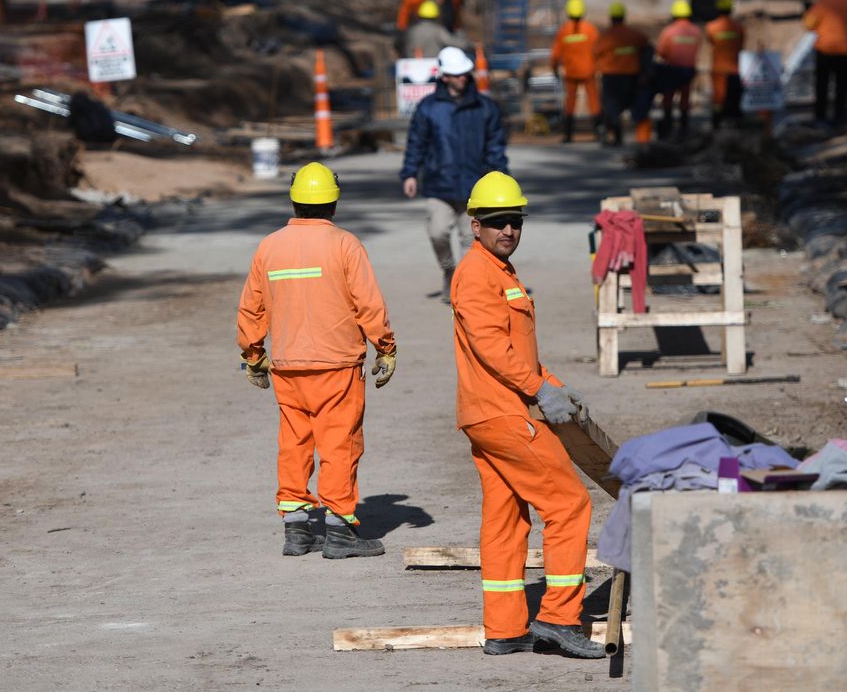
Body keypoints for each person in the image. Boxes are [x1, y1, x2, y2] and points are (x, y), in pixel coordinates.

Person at [449, 171, 605, 660]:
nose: (508, 231)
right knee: (569, 504)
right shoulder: (476, 273)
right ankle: (560, 618)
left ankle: (505, 628)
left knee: (506, 519)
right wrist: (538, 389)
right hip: (502, 413)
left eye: (514, 221)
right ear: (475, 225)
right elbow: (491, 346)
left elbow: (517, 351)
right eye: (496, 222)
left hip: (493, 412)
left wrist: (555, 387)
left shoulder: (499, 271)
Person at [236, 162, 398, 559]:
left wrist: (253, 354)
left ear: (294, 201)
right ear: (334, 203)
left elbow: (251, 308)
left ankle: (297, 529)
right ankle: (340, 530)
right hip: (336, 366)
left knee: (294, 443)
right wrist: (386, 347)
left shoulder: (269, 246)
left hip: (288, 367)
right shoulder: (345, 245)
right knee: (339, 444)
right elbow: (368, 304)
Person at [400, 47, 508, 303]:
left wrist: (501, 179)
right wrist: (410, 174)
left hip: (474, 186)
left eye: (464, 73)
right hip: (439, 185)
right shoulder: (428, 108)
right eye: (455, 74)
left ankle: (466, 286)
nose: (461, 77)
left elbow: (495, 147)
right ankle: (449, 270)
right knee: (437, 232)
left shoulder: (484, 107)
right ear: (444, 76)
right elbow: (416, 142)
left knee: (471, 241)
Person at [803, 0, 847, 125]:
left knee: (822, 86)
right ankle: (839, 118)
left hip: (825, 51)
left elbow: (808, 25)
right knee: (842, 87)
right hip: (844, 51)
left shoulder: (820, 5)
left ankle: (820, 118)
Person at [592, 1, 649, 146]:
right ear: (624, 17)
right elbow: (646, 46)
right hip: (631, 76)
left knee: (612, 108)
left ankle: (616, 137)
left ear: (611, 18)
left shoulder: (606, 37)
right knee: (636, 106)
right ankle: (643, 139)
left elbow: (595, 53)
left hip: (611, 78)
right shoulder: (634, 35)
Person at [550, 0, 602, 144]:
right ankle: (599, 132)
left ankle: (568, 135)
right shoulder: (590, 29)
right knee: (593, 101)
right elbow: (599, 50)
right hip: (589, 71)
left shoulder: (564, 30)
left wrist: (554, 68)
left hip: (571, 72)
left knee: (570, 102)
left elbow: (555, 54)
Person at [649, 0, 701, 138]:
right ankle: (684, 128)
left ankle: (667, 127)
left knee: (668, 97)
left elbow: (661, 52)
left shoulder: (669, 31)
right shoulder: (696, 31)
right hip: (688, 70)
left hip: (671, 70)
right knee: (685, 98)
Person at [705, 0, 745, 128]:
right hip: (735, 69)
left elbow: (711, 41)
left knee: (718, 100)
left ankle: (716, 125)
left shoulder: (711, 27)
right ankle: (736, 126)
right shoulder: (739, 27)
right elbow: (740, 45)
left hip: (718, 70)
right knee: (734, 99)